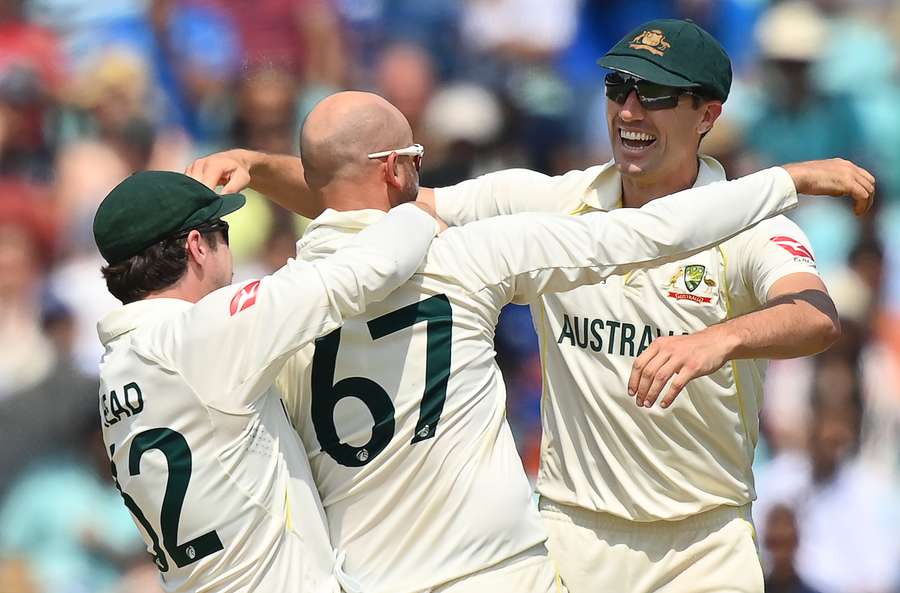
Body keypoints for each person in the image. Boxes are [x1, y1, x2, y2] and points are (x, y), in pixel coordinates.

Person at [185, 22, 876, 593]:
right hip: (573, 534)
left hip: (704, 540)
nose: (629, 112)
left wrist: (717, 339)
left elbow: (814, 315)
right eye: (618, 88)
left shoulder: (751, 223)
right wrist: (260, 163)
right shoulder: (552, 200)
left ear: (708, 114)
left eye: (656, 96)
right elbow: (372, 198)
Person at [92, 170, 441, 593]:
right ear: (196, 246)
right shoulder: (201, 336)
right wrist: (420, 212)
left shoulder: (116, 367)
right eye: (222, 230)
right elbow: (369, 269)